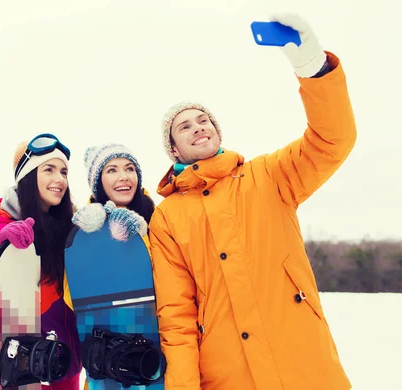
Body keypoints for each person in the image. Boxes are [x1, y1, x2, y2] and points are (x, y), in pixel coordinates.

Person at [148, 14, 355, 390]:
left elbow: (332, 140)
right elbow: (176, 314)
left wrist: (313, 68)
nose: (198, 126)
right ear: (173, 149)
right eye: (185, 125)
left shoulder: (269, 176)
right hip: (227, 374)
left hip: (303, 361)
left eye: (204, 120)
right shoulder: (167, 218)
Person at [0, 133, 82, 390]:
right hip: (27, 372)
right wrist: (0, 253)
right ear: (27, 177)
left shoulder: (69, 229)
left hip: (67, 367)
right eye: (48, 170)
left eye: (63, 172)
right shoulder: (0, 228)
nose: (59, 179)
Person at [72, 143, 155, 244]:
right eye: (112, 170)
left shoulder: (158, 215)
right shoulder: (87, 226)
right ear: (98, 182)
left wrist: (141, 233)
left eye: (129, 169)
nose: (124, 177)